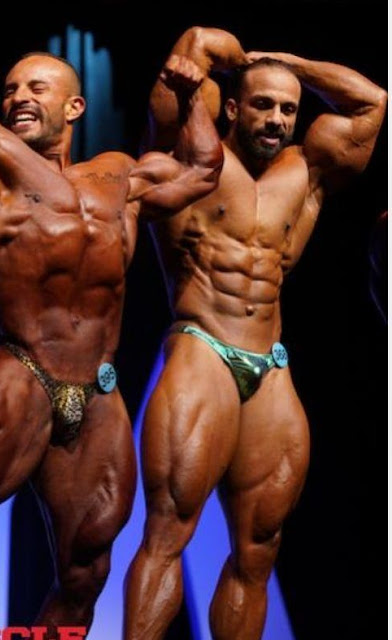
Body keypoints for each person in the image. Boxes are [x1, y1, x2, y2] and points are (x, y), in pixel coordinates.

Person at [0, 2, 223, 634]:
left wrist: (192, 96)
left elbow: (203, 170)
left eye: (36, 88)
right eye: (12, 88)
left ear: (74, 107)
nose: (19, 98)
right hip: (24, 373)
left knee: (85, 572)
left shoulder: (119, 175)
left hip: (98, 394)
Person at [123, 26, 387, 640]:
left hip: (271, 363)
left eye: (288, 109)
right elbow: (199, 41)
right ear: (233, 108)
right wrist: (242, 63)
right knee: (169, 531)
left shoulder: (308, 169)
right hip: (202, 346)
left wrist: (287, 62)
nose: (276, 120)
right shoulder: (190, 157)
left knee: (258, 550)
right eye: (263, 104)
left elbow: (373, 102)